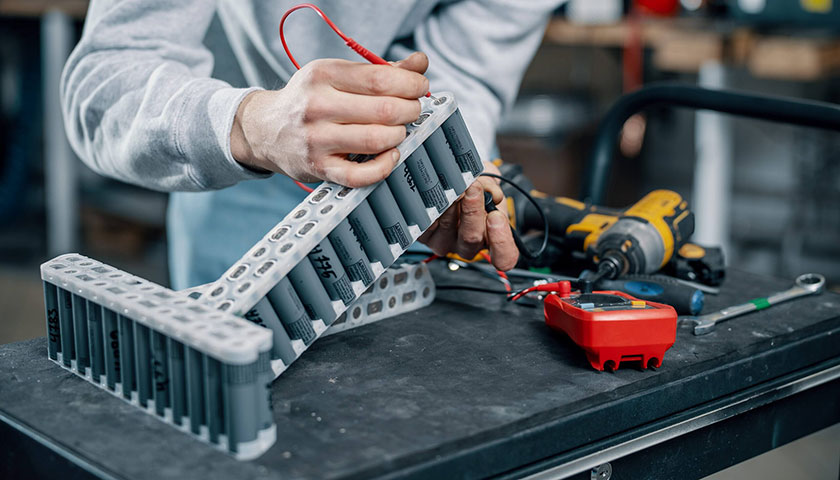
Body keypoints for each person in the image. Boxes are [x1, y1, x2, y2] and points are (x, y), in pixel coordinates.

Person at [61, 0, 559, 289]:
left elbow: (463, 75)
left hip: (392, 197)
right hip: (235, 178)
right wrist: (251, 126)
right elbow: (104, 87)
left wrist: (446, 164)